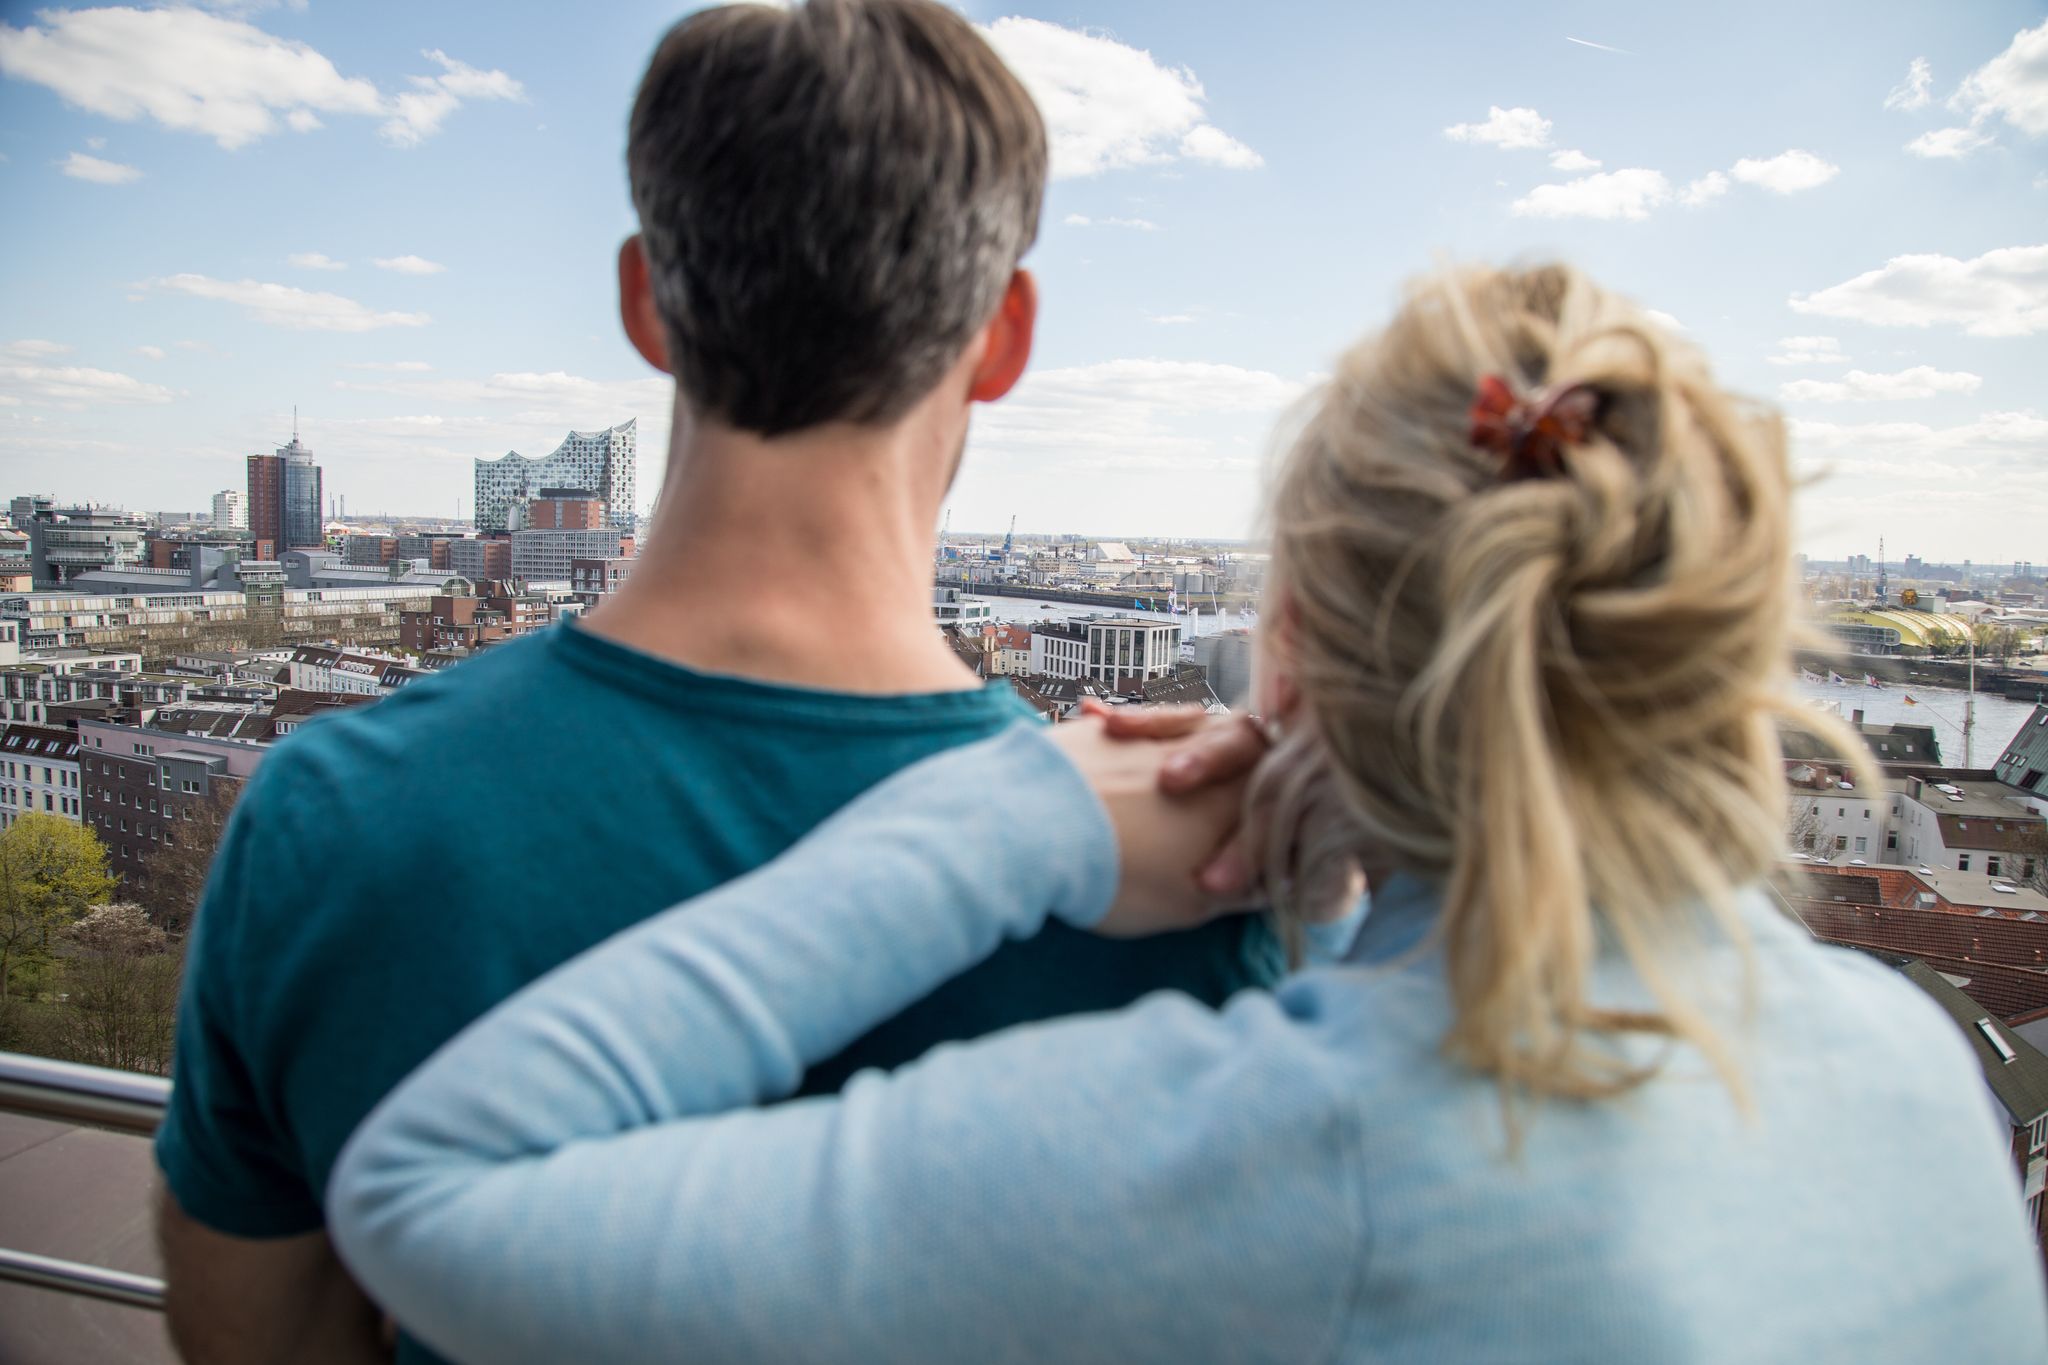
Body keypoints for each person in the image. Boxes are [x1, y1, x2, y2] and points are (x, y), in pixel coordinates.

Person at [325, 262, 2048, 1363]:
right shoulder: (1914, 1069)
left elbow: (427, 1190)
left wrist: (999, 826)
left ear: (1289, 658)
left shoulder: (1248, 1148)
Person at [153, 3, 1278, 1360]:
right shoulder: (1201, 870)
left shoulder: (325, 822)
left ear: (647, 301)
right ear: (1004, 336)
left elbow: (251, 1340)